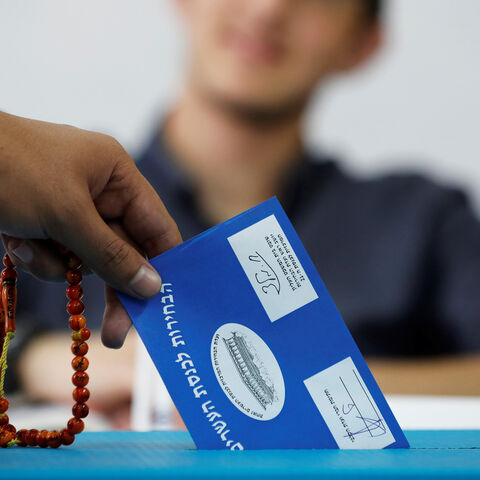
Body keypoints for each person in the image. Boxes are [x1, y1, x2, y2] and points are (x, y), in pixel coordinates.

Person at [2, 0, 480, 423]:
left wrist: (213, 385)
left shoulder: (423, 218)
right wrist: (32, 358)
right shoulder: (48, 196)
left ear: (364, 43)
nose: (269, 8)